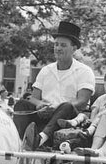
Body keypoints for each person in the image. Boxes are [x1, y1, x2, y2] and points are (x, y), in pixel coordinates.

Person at [13, 20, 96, 151]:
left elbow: (82, 101)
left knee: (66, 105)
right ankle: (23, 141)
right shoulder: (46, 70)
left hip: (67, 117)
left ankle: (40, 139)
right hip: (44, 114)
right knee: (21, 105)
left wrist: (57, 107)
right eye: (56, 44)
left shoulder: (84, 71)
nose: (58, 48)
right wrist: (40, 105)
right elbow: (33, 98)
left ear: (74, 48)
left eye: (63, 45)